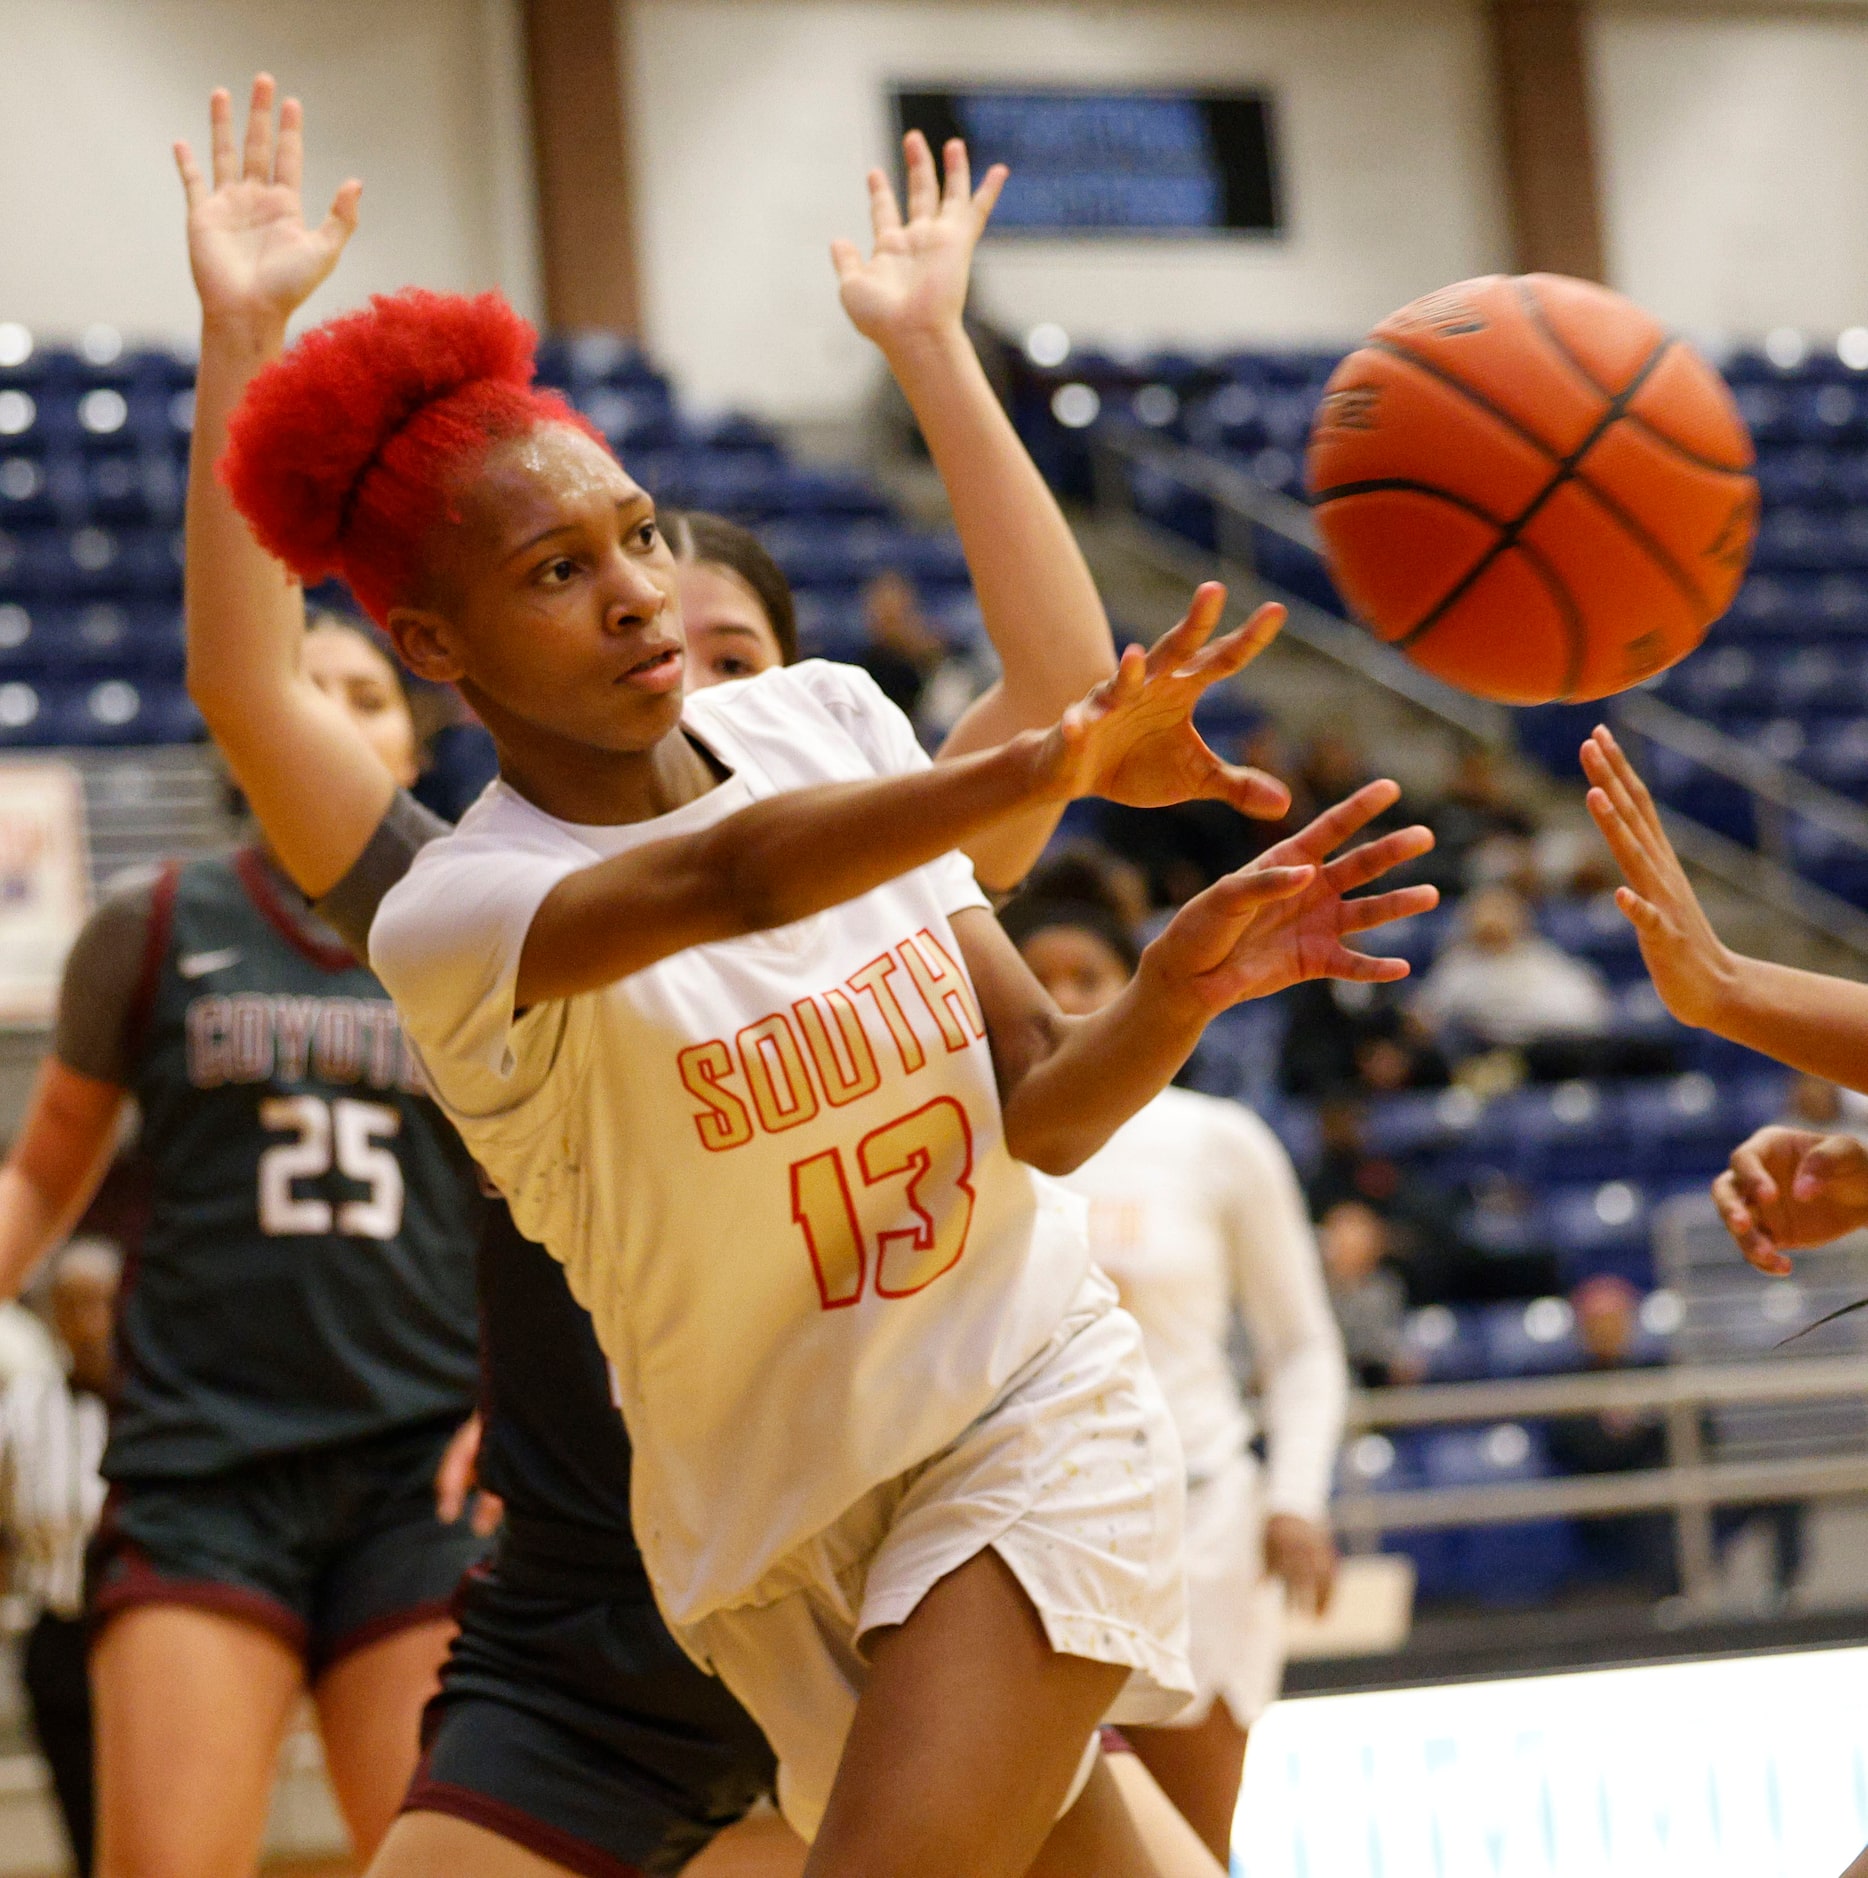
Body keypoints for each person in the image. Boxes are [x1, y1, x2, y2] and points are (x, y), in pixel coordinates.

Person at [213, 107, 1439, 1878]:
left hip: (1022, 1407)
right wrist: (1051, 768)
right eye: (560, 575)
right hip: (773, 1527)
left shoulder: (828, 714)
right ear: (434, 647)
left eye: (635, 535)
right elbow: (735, 875)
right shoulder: (462, 909)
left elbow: (1037, 1104)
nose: (636, 595)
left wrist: (1172, 989)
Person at [0, 606, 493, 1878]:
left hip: (419, 1467)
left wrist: (535, 1406)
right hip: (204, 1467)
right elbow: (40, 1178)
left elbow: (574, 1215)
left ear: (408, 738)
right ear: (248, 732)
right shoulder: (155, 923)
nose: (335, 710)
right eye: (304, 685)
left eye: (368, 693)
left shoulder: (479, 931)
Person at [1001, 862, 1349, 1863]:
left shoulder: (1217, 1141)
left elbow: (1300, 1347)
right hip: (1020, 1527)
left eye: (1088, 978)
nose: (1066, 999)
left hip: (1198, 1523)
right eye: (1042, 980)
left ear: (1133, 988)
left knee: (1192, 1847)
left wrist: (1294, 1497)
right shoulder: (976, 1140)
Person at [1, 1239, 118, 1877]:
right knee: (83, 1831)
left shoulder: (163, 1403)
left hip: (143, 1630)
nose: (90, 1324)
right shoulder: (22, 1407)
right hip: (59, 1634)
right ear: (52, 1317)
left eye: (101, 1304)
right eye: (72, 1307)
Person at [1412, 884, 1612, 1058]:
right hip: (1478, 1056)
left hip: (1540, 1052)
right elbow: (1424, 1019)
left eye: (1501, 910)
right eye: (1484, 911)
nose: (1493, 920)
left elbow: (1587, 1013)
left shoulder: (1543, 960)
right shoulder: (1455, 967)